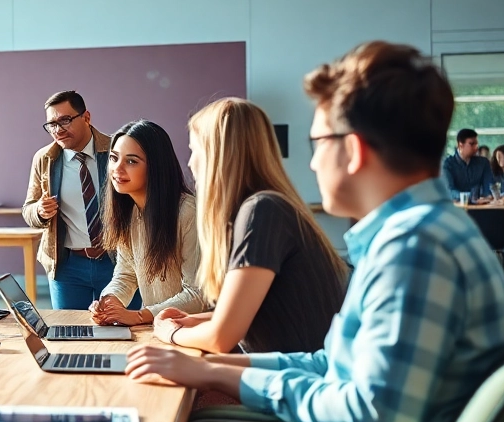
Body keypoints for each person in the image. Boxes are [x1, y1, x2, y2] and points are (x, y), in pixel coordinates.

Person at [126, 41, 504, 422]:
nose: (310, 165)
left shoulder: (416, 250)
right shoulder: (414, 237)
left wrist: (227, 375)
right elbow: (328, 364)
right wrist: (218, 370)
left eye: (317, 146)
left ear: (352, 150)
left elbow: (372, 416)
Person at [150, 98, 347, 355]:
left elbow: (222, 338)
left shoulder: (262, 211)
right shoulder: (267, 207)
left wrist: (171, 333)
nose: (189, 163)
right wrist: (191, 322)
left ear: (216, 155)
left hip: (292, 384)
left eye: (193, 150)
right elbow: (255, 316)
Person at [90, 120, 206, 326]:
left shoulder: (188, 212)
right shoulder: (130, 210)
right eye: (114, 158)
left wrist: (139, 316)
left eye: (132, 161)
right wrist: (109, 303)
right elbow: (126, 274)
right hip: (158, 329)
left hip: (192, 331)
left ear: (156, 166)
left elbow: (197, 295)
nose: (117, 169)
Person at [21, 91, 118, 309]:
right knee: (69, 335)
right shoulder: (45, 159)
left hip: (117, 262)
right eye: (51, 124)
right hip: (68, 266)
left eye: (65, 120)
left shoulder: (116, 150)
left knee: (125, 334)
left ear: (86, 118)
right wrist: (39, 211)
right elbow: (28, 209)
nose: (58, 130)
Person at [441, 128, 494, 203]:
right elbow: (450, 190)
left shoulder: (483, 163)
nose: (476, 147)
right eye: (472, 144)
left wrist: (488, 196)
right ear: (460, 145)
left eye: (476, 144)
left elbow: (489, 186)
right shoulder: (448, 164)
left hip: (480, 207)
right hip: (457, 207)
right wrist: (470, 197)